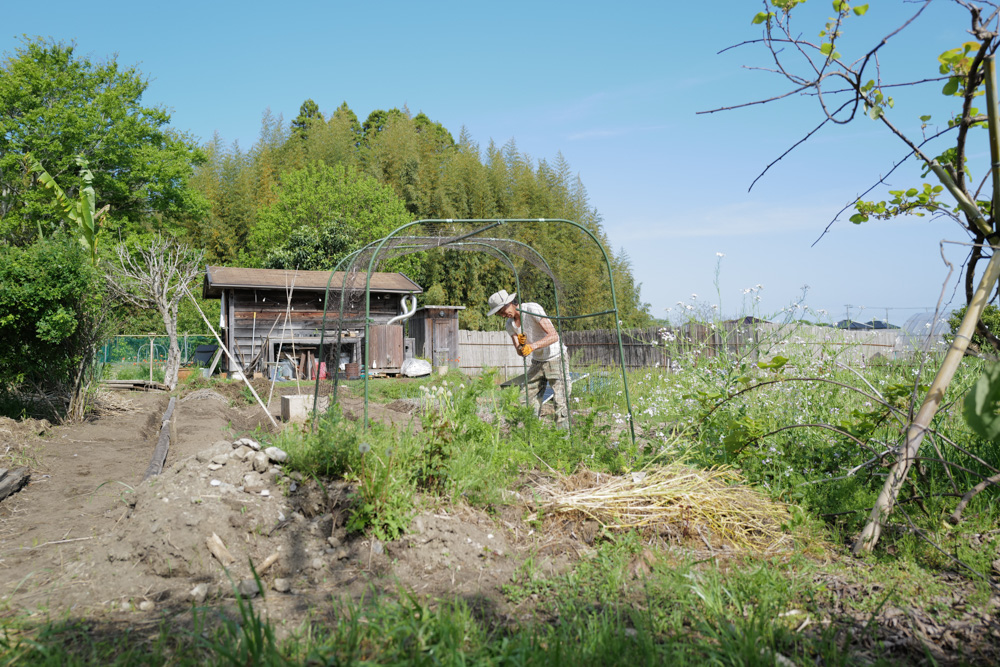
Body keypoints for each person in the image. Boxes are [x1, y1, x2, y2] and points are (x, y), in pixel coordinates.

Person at [487, 289, 568, 427]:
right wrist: (522, 347)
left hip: (555, 357)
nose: (502, 315)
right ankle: (532, 436)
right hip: (537, 361)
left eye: (502, 310)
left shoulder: (531, 309)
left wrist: (532, 346)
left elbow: (554, 335)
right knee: (527, 401)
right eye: (499, 313)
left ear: (510, 302)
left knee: (560, 403)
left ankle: (563, 440)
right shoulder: (509, 324)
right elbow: (519, 351)